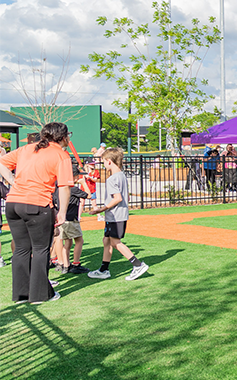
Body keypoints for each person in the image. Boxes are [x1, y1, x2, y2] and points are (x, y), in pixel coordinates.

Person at [0, 122, 73, 304]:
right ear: (62, 137)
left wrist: (12, 181)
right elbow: (64, 187)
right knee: (41, 250)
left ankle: (21, 295)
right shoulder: (61, 155)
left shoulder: (27, 148)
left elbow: (1, 162)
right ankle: (40, 295)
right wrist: (62, 212)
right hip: (37, 204)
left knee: (22, 249)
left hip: (13, 203)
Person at [88, 148, 149, 281]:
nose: (103, 164)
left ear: (109, 161)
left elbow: (117, 198)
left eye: (103, 161)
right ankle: (104, 269)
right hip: (116, 215)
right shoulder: (121, 175)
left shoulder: (112, 179)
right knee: (107, 241)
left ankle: (137, 265)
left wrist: (101, 209)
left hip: (116, 216)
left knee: (115, 242)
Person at [52, 164, 90, 274]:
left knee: (67, 243)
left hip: (62, 219)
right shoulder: (72, 188)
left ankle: (65, 265)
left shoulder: (60, 188)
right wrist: (83, 183)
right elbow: (88, 195)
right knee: (79, 240)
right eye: (77, 176)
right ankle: (76, 264)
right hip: (70, 219)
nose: (78, 178)